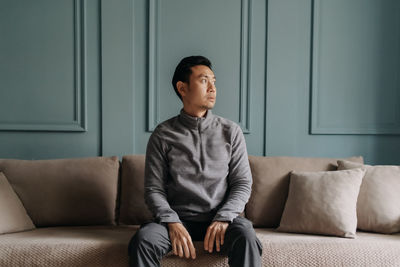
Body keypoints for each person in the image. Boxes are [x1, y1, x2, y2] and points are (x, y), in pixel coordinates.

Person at [128, 55, 262, 267]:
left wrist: (224, 217)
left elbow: (242, 183)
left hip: (221, 220)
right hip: (176, 221)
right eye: (203, 80)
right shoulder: (163, 134)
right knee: (143, 240)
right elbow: (154, 189)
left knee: (246, 235)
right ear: (182, 88)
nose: (212, 88)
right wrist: (172, 221)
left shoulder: (231, 131)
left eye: (214, 81)